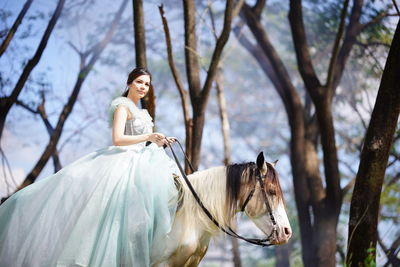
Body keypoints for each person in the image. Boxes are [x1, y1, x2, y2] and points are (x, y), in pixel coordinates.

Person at [0, 67, 180, 267]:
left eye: (146, 84)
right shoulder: (123, 106)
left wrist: (158, 141)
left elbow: (142, 140)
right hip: (124, 160)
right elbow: (118, 139)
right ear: (129, 83)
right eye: (139, 82)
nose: (143, 87)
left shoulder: (143, 112)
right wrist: (148, 136)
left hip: (141, 158)